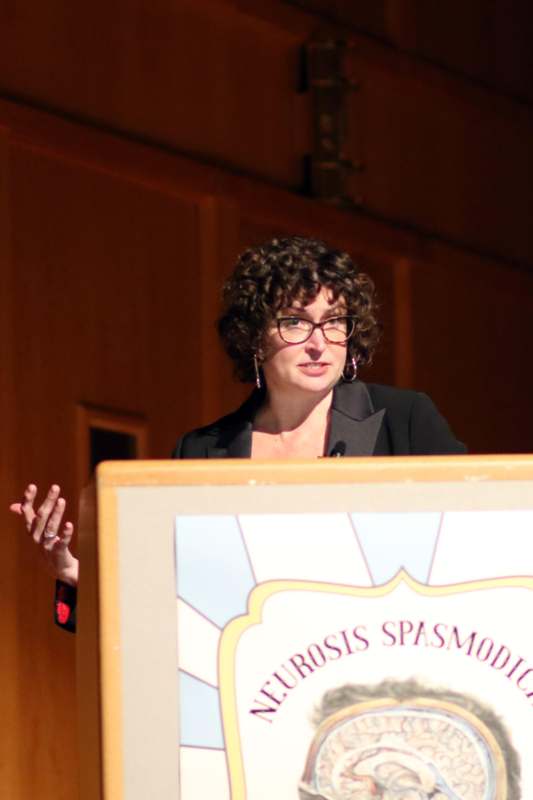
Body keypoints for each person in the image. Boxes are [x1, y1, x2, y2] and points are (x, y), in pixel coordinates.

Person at [10, 236, 466, 631]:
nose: (318, 341)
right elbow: (166, 595)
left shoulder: (404, 420)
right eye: (294, 322)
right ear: (254, 337)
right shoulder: (203, 452)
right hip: (252, 691)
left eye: (334, 321)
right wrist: (75, 572)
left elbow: (473, 540)